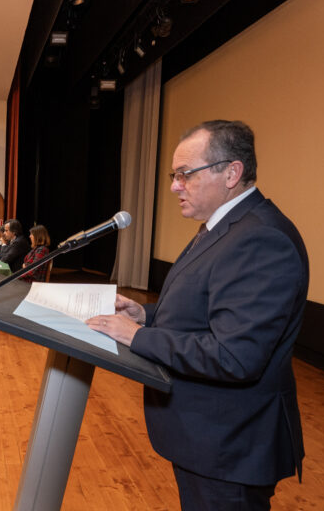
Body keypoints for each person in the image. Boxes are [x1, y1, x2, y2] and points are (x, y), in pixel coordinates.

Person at [86, 120, 308, 510]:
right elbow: (206, 311)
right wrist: (145, 314)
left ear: (231, 173)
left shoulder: (261, 238)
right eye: (175, 175)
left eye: (185, 174)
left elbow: (235, 356)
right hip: (209, 440)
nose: (174, 186)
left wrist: (137, 336)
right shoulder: (225, 227)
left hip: (230, 446)